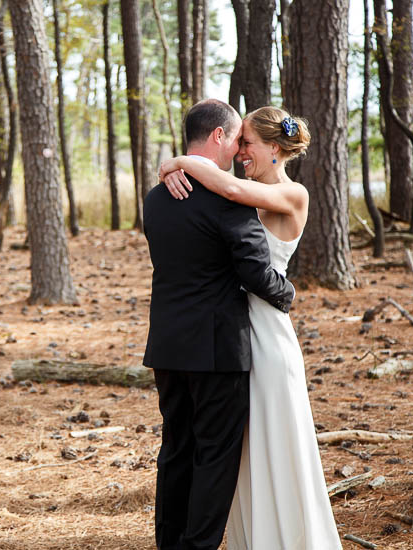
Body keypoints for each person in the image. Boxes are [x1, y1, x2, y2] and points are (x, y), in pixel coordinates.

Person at [158, 105, 342, 550]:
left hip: (268, 331)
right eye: (238, 143)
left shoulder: (291, 193)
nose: (240, 153)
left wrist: (180, 161)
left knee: (277, 441)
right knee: (242, 450)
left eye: (247, 144)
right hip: (235, 333)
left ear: (275, 148)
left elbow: (230, 191)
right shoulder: (246, 189)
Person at [142, 98, 296, 550]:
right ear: (217, 137)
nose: (238, 152)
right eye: (235, 140)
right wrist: (287, 294)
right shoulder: (229, 199)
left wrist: (172, 165)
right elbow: (253, 272)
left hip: (168, 344)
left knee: (175, 451)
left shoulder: (156, 198)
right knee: (214, 458)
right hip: (218, 349)